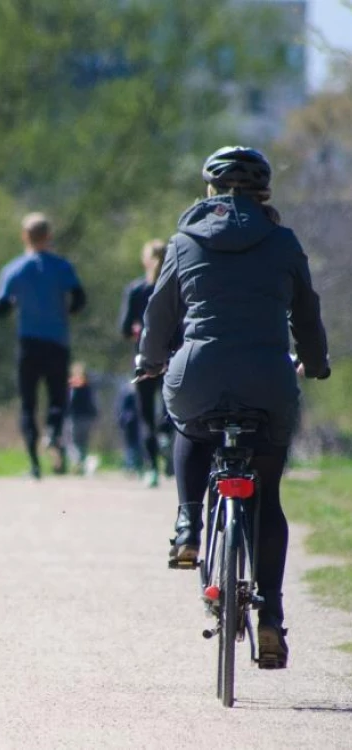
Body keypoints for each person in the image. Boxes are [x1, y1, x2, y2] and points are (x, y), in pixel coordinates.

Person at [137, 145, 330, 668]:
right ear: (264, 193)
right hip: (268, 380)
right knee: (268, 499)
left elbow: (159, 315)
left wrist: (149, 361)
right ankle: (270, 616)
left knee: (189, 423)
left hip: (198, 374)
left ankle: (187, 526)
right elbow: (306, 317)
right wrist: (315, 363)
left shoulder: (182, 241)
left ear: (210, 191)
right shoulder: (284, 242)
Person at [0, 212, 87, 478]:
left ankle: (35, 465)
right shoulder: (62, 267)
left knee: (28, 403)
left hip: (28, 343)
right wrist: (66, 312)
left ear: (24, 236)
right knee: (58, 397)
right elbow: (80, 299)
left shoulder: (13, 270)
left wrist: (16, 304)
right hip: (57, 341)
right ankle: (54, 432)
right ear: (49, 236)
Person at [119, 239, 173, 488]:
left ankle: (151, 467)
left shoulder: (136, 290)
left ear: (145, 260)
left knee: (145, 416)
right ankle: (167, 438)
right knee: (171, 406)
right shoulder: (175, 287)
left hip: (144, 358)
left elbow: (124, 328)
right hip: (173, 356)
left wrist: (137, 330)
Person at [66, 362, 98, 474]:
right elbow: (92, 403)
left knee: (73, 442)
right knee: (83, 443)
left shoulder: (72, 386)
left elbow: (69, 402)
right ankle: (82, 464)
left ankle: (78, 463)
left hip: (75, 418)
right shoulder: (88, 386)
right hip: (86, 418)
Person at [116, 381, 143, 475]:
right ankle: (132, 465)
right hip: (131, 424)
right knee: (132, 446)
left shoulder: (128, 393)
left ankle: (133, 466)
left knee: (133, 446)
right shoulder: (129, 393)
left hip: (134, 424)